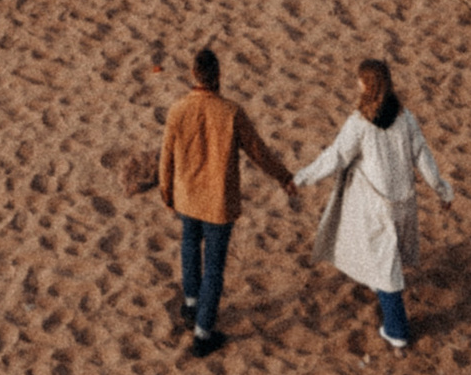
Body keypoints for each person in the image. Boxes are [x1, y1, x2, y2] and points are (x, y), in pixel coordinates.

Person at [295, 54, 453, 350]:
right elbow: (424, 157)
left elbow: (336, 156)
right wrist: (443, 191)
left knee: (386, 269)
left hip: (377, 206)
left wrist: (302, 177)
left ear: (365, 86)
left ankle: (397, 330)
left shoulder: (360, 123)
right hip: (404, 203)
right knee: (386, 259)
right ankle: (384, 299)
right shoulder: (405, 118)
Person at [157, 46, 297, 357]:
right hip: (218, 202)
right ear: (219, 76)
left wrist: (166, 192)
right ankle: (203, 334)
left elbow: (166, 155)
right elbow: (258, 152)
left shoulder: (177, 109)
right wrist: (284, 177)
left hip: (187, 195)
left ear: (193, 74)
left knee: (189, 246)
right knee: (214, 269)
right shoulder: (231, 112)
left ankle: (191, 305)